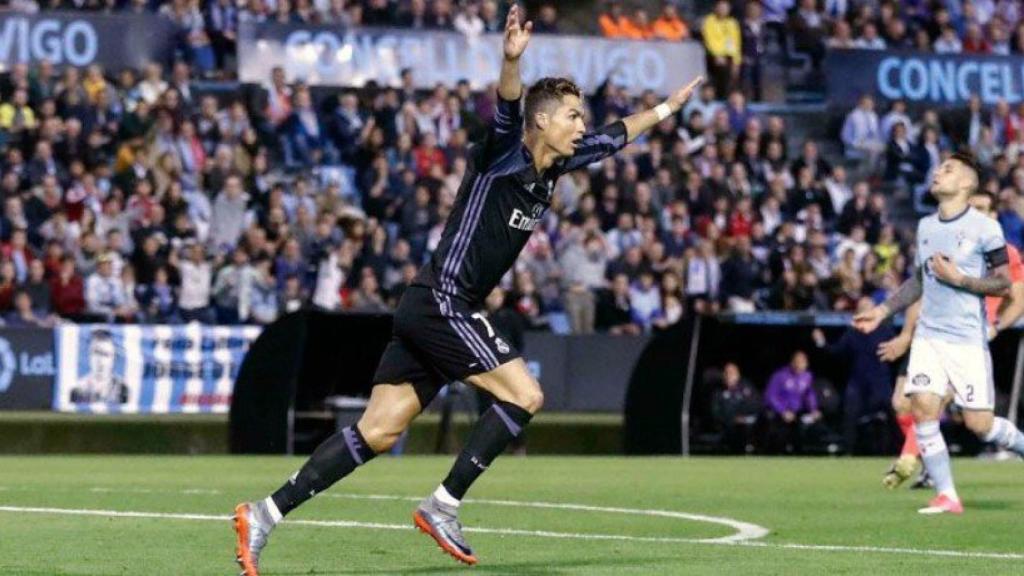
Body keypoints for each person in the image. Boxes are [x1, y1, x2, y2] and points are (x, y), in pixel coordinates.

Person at [232, 6, 704, 574]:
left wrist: (666, 108)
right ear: (543, 122)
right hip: (443, 303)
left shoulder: (555, 167)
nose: (582, 125)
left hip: (425, 306)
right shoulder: (504, 152)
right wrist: (510, 61)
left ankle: (264, 513)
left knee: (377, 432)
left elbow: (614, 137)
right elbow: (508, 105)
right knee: (525, 396)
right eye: (573, 116)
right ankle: (443, 504)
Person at [854, 151, 1024, 515]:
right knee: (921, 407)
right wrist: (883, 311)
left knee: (979, 424)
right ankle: (947, 495)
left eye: (948, 169)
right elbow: (919, 280)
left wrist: (960, 279)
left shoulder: (986, 229)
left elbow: (1004, 284)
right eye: (939, 167)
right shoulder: (926, 226)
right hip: (930, 335)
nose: (938, 173)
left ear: (966, 183)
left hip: (966, 338)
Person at [812, 296, 895, 454]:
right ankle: (848, 451)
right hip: (858, 383)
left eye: (868, 307)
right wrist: (821, 342)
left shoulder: (885, 331)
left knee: (894, 415)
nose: (865, 311)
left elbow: (897, 350)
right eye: (862, 308)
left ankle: (900, 452)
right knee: (849, 415)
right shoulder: (852, 333)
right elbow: (835, 352)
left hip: (880, 383)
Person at [763, 350, 823, 454]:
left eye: (803, 362)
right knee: (779, 437)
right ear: (792, 363)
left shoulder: (807, 376)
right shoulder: (779, 376)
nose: (799, 365)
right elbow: (770, 396)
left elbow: (809, 394)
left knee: (811, 428)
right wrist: (783, 411)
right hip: (780, 414)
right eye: (797, 362)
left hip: (797, 414)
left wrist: (813, 409)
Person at [68, 329, 128, 404]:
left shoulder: (121, 388)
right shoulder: (78, 389)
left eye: (106, 354)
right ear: (88, 355)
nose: (100, 361)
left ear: (114, 358)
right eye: (96, 353)